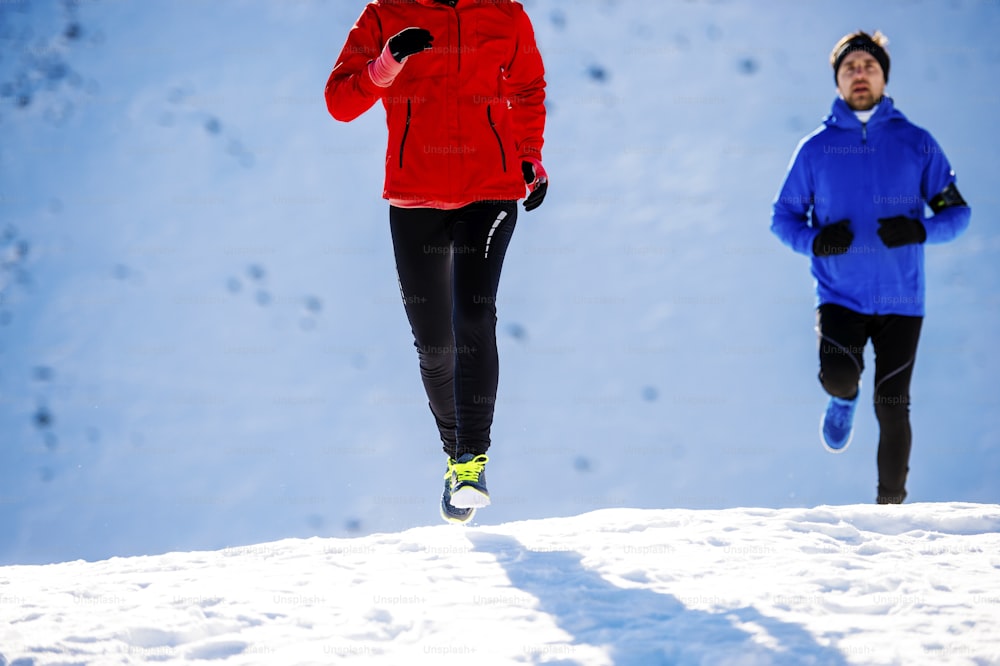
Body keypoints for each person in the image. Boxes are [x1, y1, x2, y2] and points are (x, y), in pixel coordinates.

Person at [325, 0, 547, 523]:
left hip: (491, 192)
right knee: (433, 343)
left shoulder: (505, 14)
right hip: (414, 198)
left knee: (472, 316)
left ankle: (471, 461)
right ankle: (454, 455)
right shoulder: (384, 14)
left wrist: (529, 155)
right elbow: (340, 101)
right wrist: (386, 64)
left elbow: (527, 88)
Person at [771, 31, 970, 504]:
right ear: (837, 81)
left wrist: (920, 229)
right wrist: (816, 239)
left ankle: (891, 511)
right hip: (840, 293)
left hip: (904, 299)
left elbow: (956, 213)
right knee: (840, 375)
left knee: (893, 405)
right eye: (849, 68)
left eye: (869, 66)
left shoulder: (916, 144)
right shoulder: (815, 150)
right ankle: (843, 398)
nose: (860, 74)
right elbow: (782, 218)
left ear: (884, 76)